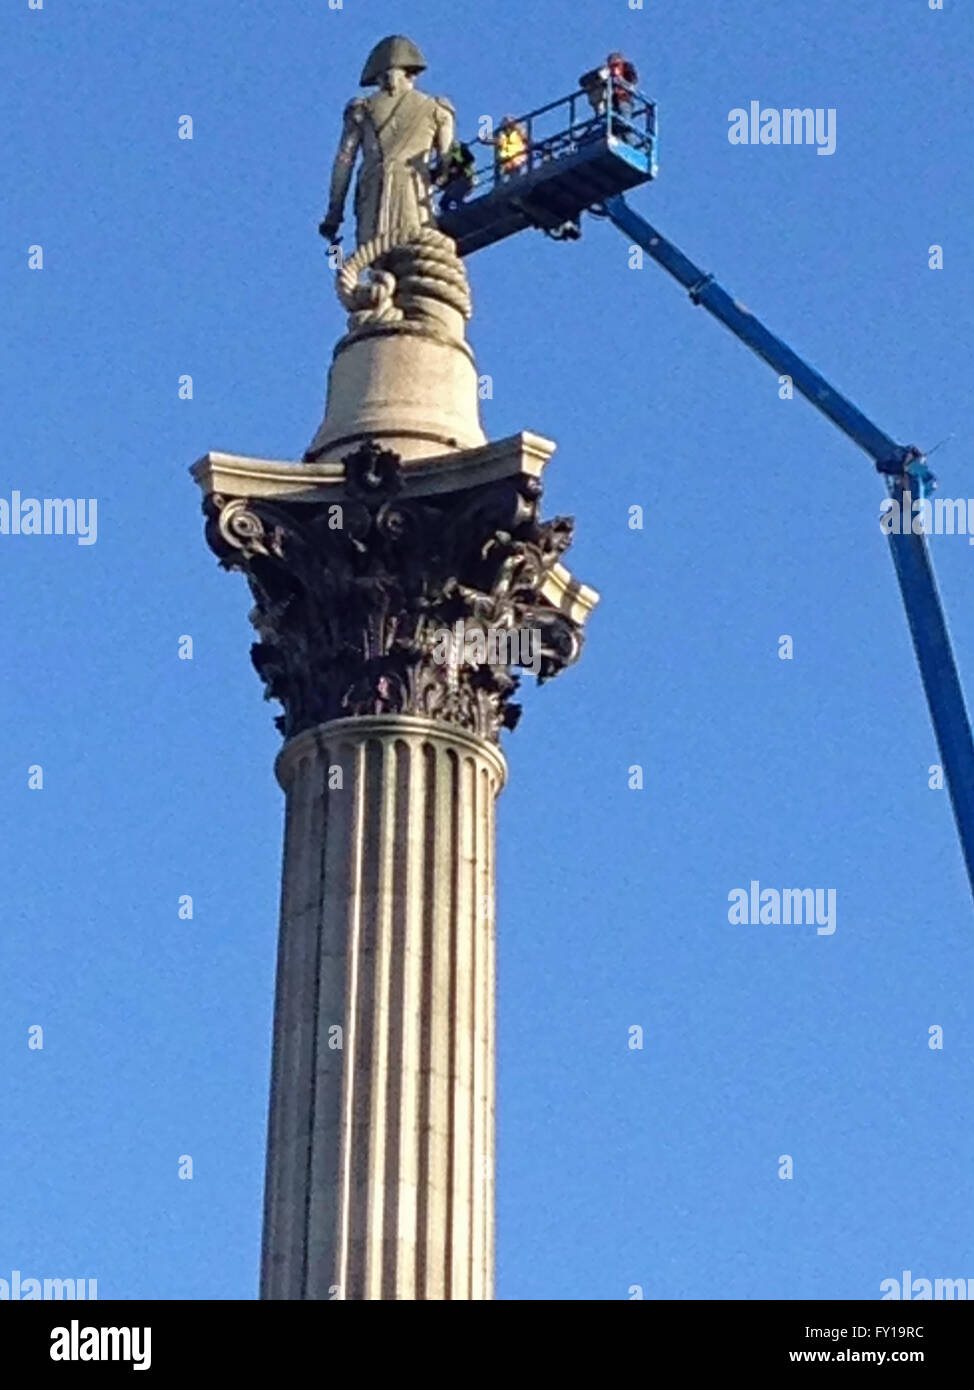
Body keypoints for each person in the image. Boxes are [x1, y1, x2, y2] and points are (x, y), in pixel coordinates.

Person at [318, 35, 455, 247]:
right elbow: (446, 162)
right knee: (416, 257)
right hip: (415, 196)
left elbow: (343, 163)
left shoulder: (360, 110)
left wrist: (334, 213)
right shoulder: (438, 110)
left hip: (372, 198)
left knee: (376, 263)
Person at [483, 114, 529, 181]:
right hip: (507, 162)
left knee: (514, 175)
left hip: (516, 160)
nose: (506, 129)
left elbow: (528, 142)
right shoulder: (503, 138)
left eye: (508, 127)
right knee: (508, 175)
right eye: (504, 128)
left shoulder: (519, 135)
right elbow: (487, 141)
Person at [437, 139, 477, 212]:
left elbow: (470, 159)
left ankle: (462, 211)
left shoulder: (459, 148)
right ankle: (452, 215)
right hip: (455, 183)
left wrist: (458, 167)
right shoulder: (443, 157)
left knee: (454, 199)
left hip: (465, 179)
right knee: (443, 203)